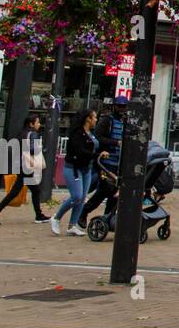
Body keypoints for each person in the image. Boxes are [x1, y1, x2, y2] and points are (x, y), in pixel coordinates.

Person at [0, 116, 49, 227]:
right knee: (15, 193)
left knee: (34, 191)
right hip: (27, 168)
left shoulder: (23, 133)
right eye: (37, 122)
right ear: (31, 124)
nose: (39, 124)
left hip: (22, 166)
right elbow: (33, 149)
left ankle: (39, 215)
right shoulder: (32, 134)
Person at [78, 98, 128, 227]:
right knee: (105, 189)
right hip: (106, 163)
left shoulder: (126, 122)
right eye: (119, 106)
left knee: (114, 193)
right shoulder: (107, 121)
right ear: (114, 107)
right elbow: (98, 137)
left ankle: (107, 218)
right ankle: (84, 211)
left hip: (119, 163)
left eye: (124, 107)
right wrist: (116, 142)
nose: (122, 109)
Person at [52, 109, 98, 236]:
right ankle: (56, 217)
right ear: (88, 119)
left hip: (86, 169)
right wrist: (97, 155)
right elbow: (80, 151)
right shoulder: (77, 133)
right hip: (74, 168)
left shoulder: (91, 133)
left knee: (82, 197)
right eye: (94, 117)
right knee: (76, 196)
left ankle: (72, 225)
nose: (96, 120)